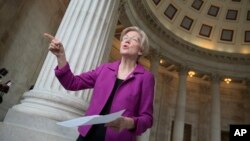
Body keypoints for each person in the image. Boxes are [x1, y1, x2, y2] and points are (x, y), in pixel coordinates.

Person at [44, 26, 155, 141]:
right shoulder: (105, 69)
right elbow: (72, 83)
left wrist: (127, 122)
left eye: (134, 39)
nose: (127, 40)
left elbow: (147, 118)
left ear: (140, 50)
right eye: (125, 38)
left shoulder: (146, 77)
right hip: (87, 136)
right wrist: (61, 56)